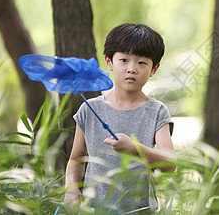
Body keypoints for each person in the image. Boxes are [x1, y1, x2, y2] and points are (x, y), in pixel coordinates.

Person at [64, 23, 175, 213]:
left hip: (140, 210)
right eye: (124, 60)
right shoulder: (89, 109)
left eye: (141, 63)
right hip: (95, 209)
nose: (132, 69)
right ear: (109, 62)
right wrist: (71, 189)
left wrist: (134, 149)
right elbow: (76, 159)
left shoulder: (156, 111)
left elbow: (169, 163)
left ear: (154, 68)